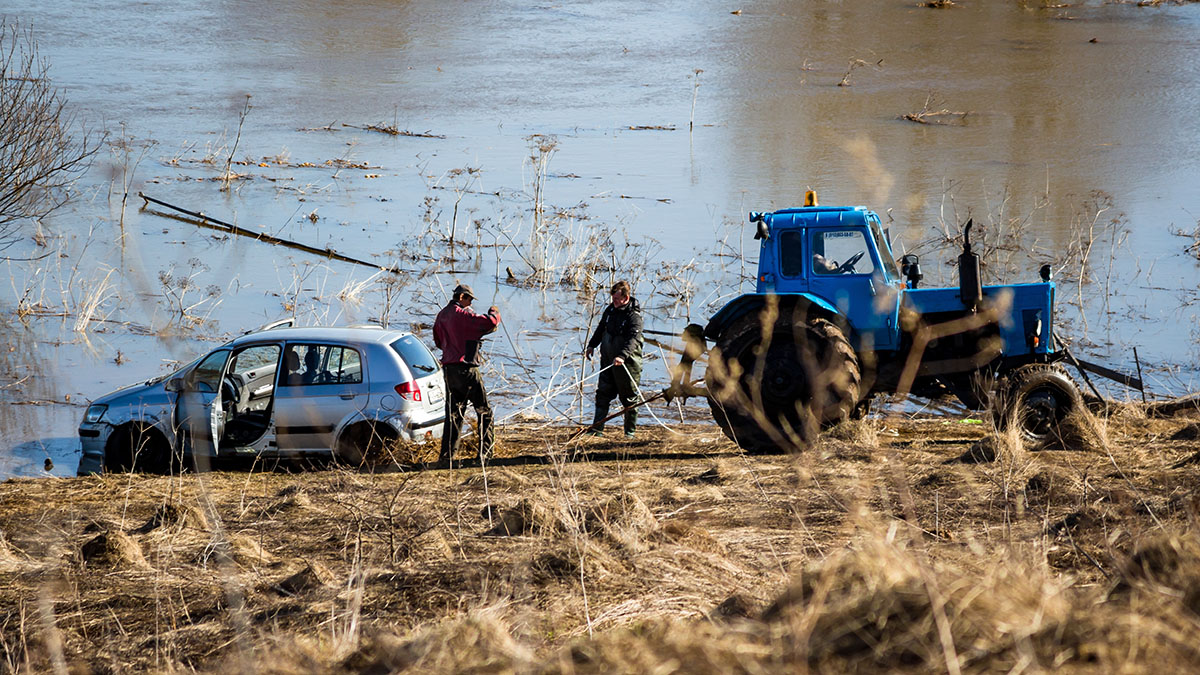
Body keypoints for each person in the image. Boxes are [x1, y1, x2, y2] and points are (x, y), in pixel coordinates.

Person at [433, 283, 501, 465]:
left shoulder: (441, 315)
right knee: (484, 411)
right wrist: (494, 311)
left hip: (449, 370)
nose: (470, 303)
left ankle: (447, 457)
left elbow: (438, 341)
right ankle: (485, 455)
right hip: (467, 369)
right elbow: (490, 322)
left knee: (454, 414)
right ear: (462, 297)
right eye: (469, 299)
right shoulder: (463, 314)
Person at [584, 280, 644, 438]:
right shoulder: (610, 310)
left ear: (626, 298)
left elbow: (633, 340)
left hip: (627, 364)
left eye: (617, 299)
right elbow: (601, 328)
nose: (614, 302)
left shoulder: (634, 317)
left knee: (629, 398)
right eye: (613, 299)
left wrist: (622, 356)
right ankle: (597, 429)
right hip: (608, 361)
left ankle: (629, 433)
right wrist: (592, 345)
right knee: (603, 394)